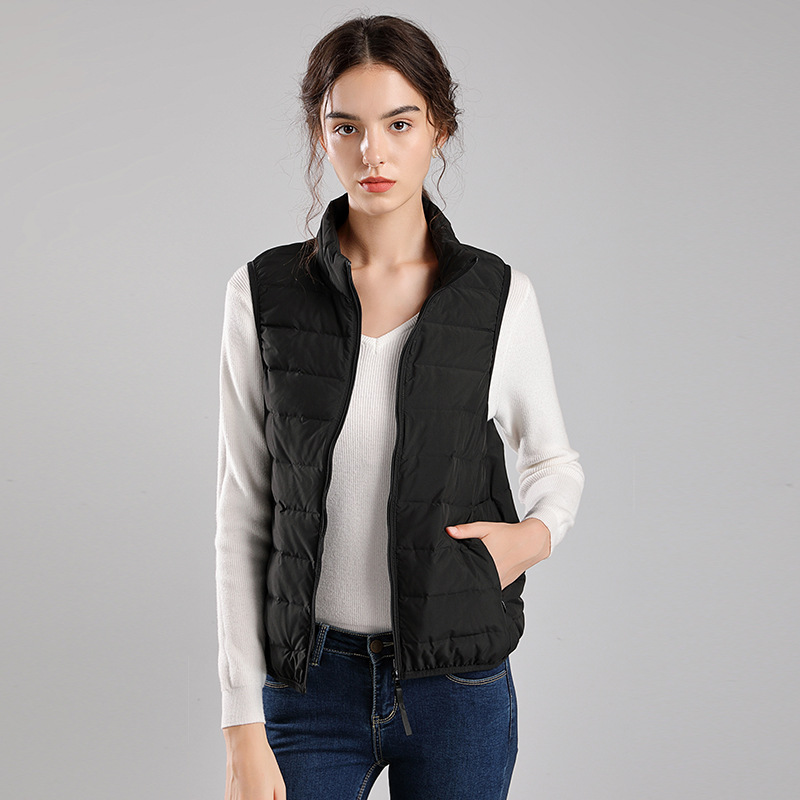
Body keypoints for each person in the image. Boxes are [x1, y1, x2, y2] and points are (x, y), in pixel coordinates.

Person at [215, 14, 585, 800]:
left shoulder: (497, 297)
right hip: (308, 685)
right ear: (320, 134)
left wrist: (531, 539)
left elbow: (554, 462)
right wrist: (242, 719)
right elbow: (243, 508)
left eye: (400, 123)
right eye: (345, 126)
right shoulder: (262, 294)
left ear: (439, 128)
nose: (372, 153)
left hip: (458, 687)